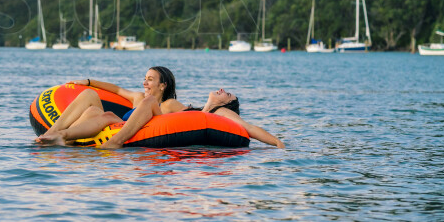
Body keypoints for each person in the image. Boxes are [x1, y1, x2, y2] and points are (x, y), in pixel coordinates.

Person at [35, 67, 284, 149]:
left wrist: (279, 144)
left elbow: (248, 128)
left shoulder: (185, 107)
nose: (145, 82)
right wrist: (87, 82)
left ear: (163, 85)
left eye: (150, 79)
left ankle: (115, 142)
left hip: (136, 128)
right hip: (117, 124)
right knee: (93, 104)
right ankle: (55, 134)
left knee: (147, 103)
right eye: (145, 78)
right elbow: (116, 90)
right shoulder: (137, 98)